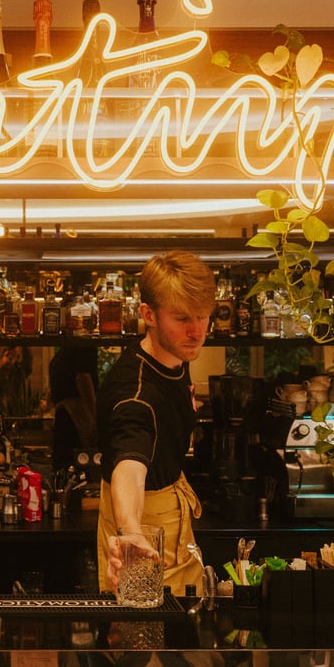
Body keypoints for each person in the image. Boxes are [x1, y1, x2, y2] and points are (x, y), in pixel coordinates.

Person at [96, 250, 216, 595]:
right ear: (148, 314)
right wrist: (131, 532)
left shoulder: (172, 354)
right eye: (182, 319)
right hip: (143, 539)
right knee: (142, 639)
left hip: (174, 525)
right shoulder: (135, 394)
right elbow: (129, 465)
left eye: (203, 317)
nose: (196, 331)